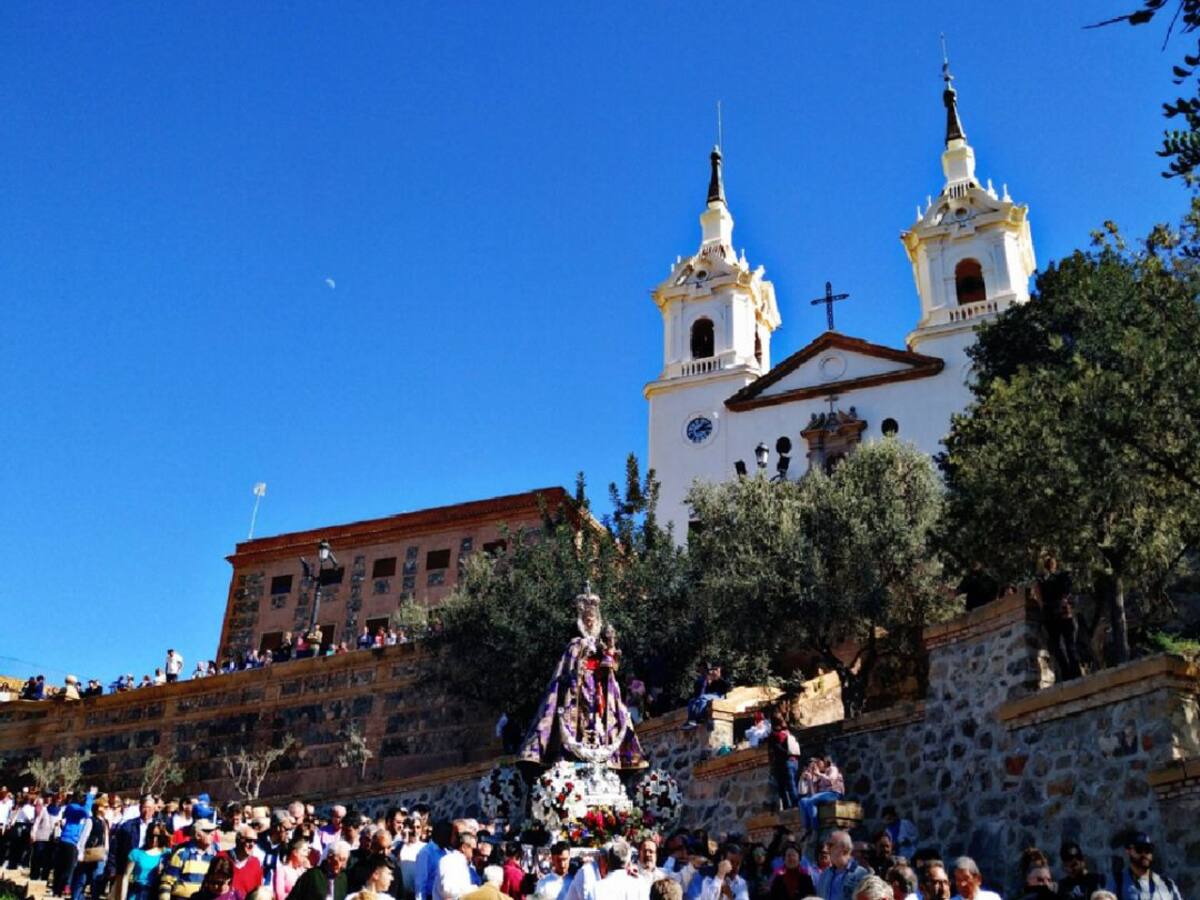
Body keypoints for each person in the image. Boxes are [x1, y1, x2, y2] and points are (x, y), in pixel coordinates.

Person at [518, 591, 646, 769]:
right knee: (579, 720)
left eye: (593, 619)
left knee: (602, 718)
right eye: (587, 619)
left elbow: (609, 668)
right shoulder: (575, 644)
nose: (590, 623)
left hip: (599, 688)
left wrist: (610, 653)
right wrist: (581, 665)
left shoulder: (601, 645)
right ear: (582, 621)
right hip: (579, 688)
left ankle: (608, 755)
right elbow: (568, 668)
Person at [1036, 556, 1082, 681]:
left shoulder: (1043, 579)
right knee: (1066, 645)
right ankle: (1073, 674)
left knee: (1062, 646)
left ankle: (1069, 674)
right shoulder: (1060, 576)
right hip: (1060, 613)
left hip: (1056, 613)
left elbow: (1040, 598)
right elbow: (1067, 593)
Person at [1107, 833, 1181, 900]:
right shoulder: (1117, 883)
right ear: (1128, 851)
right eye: (1139, 849)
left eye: (1148, 849)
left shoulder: (1167, 884)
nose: (1144, 854)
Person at [159, 819, 219, 900]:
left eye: (213, 831)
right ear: (197, 835)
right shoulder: (182, 854)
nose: (212, 833)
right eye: (207, 831)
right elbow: (166, 882)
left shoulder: (215, 855)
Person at [121, 824, 172, 900]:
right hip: (137, 894)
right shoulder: (136, 853)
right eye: (152, 836)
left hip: (156, 894)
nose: (154, 839)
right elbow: (126, 877)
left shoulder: (167, 853)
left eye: (158, 836)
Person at [815, 833, 866, 900]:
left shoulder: (861, 875)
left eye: (830, 845)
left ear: (845, 850)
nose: (826, 849)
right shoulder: (825, 874)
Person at [799, 760, 843, 837]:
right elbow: (812, 794)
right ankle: (806, 829)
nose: (815, 766)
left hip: (833, 793)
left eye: (817, 764)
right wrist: (809, 780)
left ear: (823, 762)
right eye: (812, 766)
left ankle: (815, 830)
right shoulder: (817, 778)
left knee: (811, 801)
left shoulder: (832, 769)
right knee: (803, 801)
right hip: (822, 796)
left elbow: (831, 781)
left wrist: (819, 774)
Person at [766, 714, 800, 811]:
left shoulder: (774, 735)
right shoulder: (788, 732)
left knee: (784, 786)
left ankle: (790, 806)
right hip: (794, 761)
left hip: (783, 762)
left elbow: (776, 748)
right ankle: (795, 804)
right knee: (793, 783)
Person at [221, 826, 264, 897]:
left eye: (255, 841)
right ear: (238, 840)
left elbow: (257, 892)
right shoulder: (221, 857)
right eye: (249, 840)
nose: (252, 844)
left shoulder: (256, 863)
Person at [684, 664, 730, 730]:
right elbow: (705, 691)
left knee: (703, 698)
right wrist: (708, 682)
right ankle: (690, 720)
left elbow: (728, 687)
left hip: (720, 696)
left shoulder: (722, 678)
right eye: (712, 670)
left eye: (715, 670)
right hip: (712, 695)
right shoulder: (710, 679)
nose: (713, 671)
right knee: (692, 700)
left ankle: (698, 718)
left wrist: (719, 678)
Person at [435, 830, 477, 900]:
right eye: (474, 850)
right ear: (464, 847)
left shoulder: (463, 863)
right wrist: (473, 889)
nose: (475, 854)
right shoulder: (450, 861)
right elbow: (448, 890)